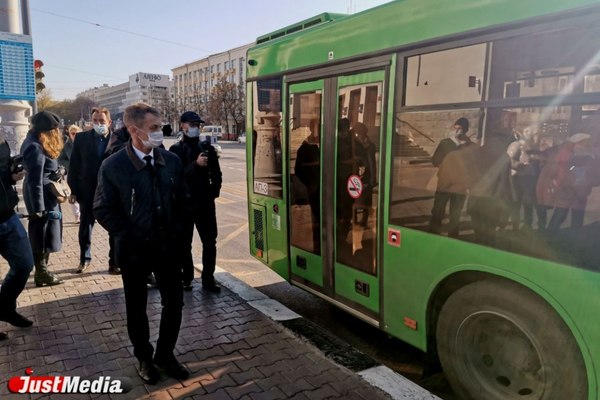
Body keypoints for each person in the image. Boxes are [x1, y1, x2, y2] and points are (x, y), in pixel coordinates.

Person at [94, 103, 188, 384]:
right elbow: (102, 209)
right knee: (137, 308)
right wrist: (131, 234)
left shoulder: (170, 161)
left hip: (168, 249)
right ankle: (144, 358)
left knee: (175, 303)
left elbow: (183, 201)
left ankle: (165, 355)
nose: (160, 133)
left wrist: (180, 235)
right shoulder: (113, 166)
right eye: (154, 128)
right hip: (134, 252)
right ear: (134, 130)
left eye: (161, 127)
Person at [169, 111, 222, 292]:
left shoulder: (207, 148)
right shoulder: (175, 150)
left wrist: (213, 193)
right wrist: (195, 165)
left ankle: (208, 279)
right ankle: (187, 278)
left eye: (197, 125)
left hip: (205, 205)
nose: (195, 128)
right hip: (184, 206)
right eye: (192, 125)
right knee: (184, 244)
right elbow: (175, 177)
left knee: (210, 242)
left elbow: (217, 174)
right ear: (182, 125)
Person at [67, 107, 119, 274]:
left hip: (111, 191)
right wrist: (73, 190)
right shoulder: (82, 139)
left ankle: (114, 262)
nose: (98, 124)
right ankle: (85, 259)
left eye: (102, 121)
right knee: (86, 226)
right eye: (95, 120)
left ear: (109, 122)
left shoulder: (118, 140)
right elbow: (74, 165)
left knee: (115, 227)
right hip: (87, 190)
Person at [20, 111, 64, 287]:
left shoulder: (36, 143)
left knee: (47, 234)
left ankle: (42, 271)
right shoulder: (35, 147)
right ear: (47, 131)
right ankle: (42, 273)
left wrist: (60, 170)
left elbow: (47, 168)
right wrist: (38, 208)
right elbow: (34, 179)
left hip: (47, 194)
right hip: (42, 197)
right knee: (42, 235)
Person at [0, 134, 34, 337]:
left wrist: (11, 174)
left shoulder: (1, 142)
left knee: (24, 264)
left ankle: (4, 308)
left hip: (7, 216)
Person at [429, 117, 472, 237]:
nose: (457, 131)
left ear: (466, 130)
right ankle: (432, 234)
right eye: (456, 128)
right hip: (444, 184)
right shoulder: (445, 143)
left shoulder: (470, 146)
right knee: (438, 211)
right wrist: (445, 169)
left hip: (460, 186)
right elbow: (435, 160)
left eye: (461, 128)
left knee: (455, 214)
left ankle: (453, 236)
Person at [295, 127, 321, 252]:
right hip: (314, 189)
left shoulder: (315, 148)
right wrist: (310, 184)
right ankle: (318, 246)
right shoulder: (303, 149)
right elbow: (298, 170)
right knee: (316, 219)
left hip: (321, 188)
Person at [58, 124, 82, 223]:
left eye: (77, 133)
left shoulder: (85, 143)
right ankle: (77, 216)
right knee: (72, 195)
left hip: (85, 173)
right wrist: (70, 164)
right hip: (72, 173)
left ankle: (88, 213)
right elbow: (60, 159)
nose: (75, 135)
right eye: (72, 133)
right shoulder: (66, 145)